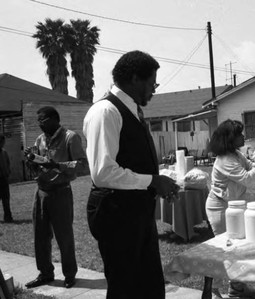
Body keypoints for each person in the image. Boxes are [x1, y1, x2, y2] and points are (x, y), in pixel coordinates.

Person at [83, 50, 179, 299]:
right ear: (136, 78)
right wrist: (152, 181)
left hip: (136, 213)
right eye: (152, 83)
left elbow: (133, 161)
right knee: (126, 288)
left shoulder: (133, 112)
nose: (154, 89)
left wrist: (157, 184)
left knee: (150, 286)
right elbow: (103, 172)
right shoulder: (106, 112)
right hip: (116, 215)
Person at [206, 119, 255, 297]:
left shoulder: (236, 154)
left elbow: (252, 167)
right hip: (220, 208)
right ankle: (213, 289)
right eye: (239, 134)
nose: (243, 136)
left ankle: (235, 288)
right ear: (230, 138)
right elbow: (247, 178)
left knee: (236, 247)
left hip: (234, 205)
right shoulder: (224, 160)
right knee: (225, 249)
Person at [24, 106, 87, 289]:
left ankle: (69, 274)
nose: (39, 124)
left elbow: (82, 165)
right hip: (41, 192)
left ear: (54, 119)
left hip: (61, 192)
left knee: (64, 236)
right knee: (40, 236)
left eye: (42, 120)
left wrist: (57, 165)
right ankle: (45, 273)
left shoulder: (70, 137)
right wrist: (31, 160)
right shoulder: (40, 139)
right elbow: (36, 168)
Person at [0, 135, 12, 223]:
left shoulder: (4, 152)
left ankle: (8, 217)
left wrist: (8, 172)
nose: (3, 144)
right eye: (1, 142)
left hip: (4, 179)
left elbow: (7, 163)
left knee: (6, 199)